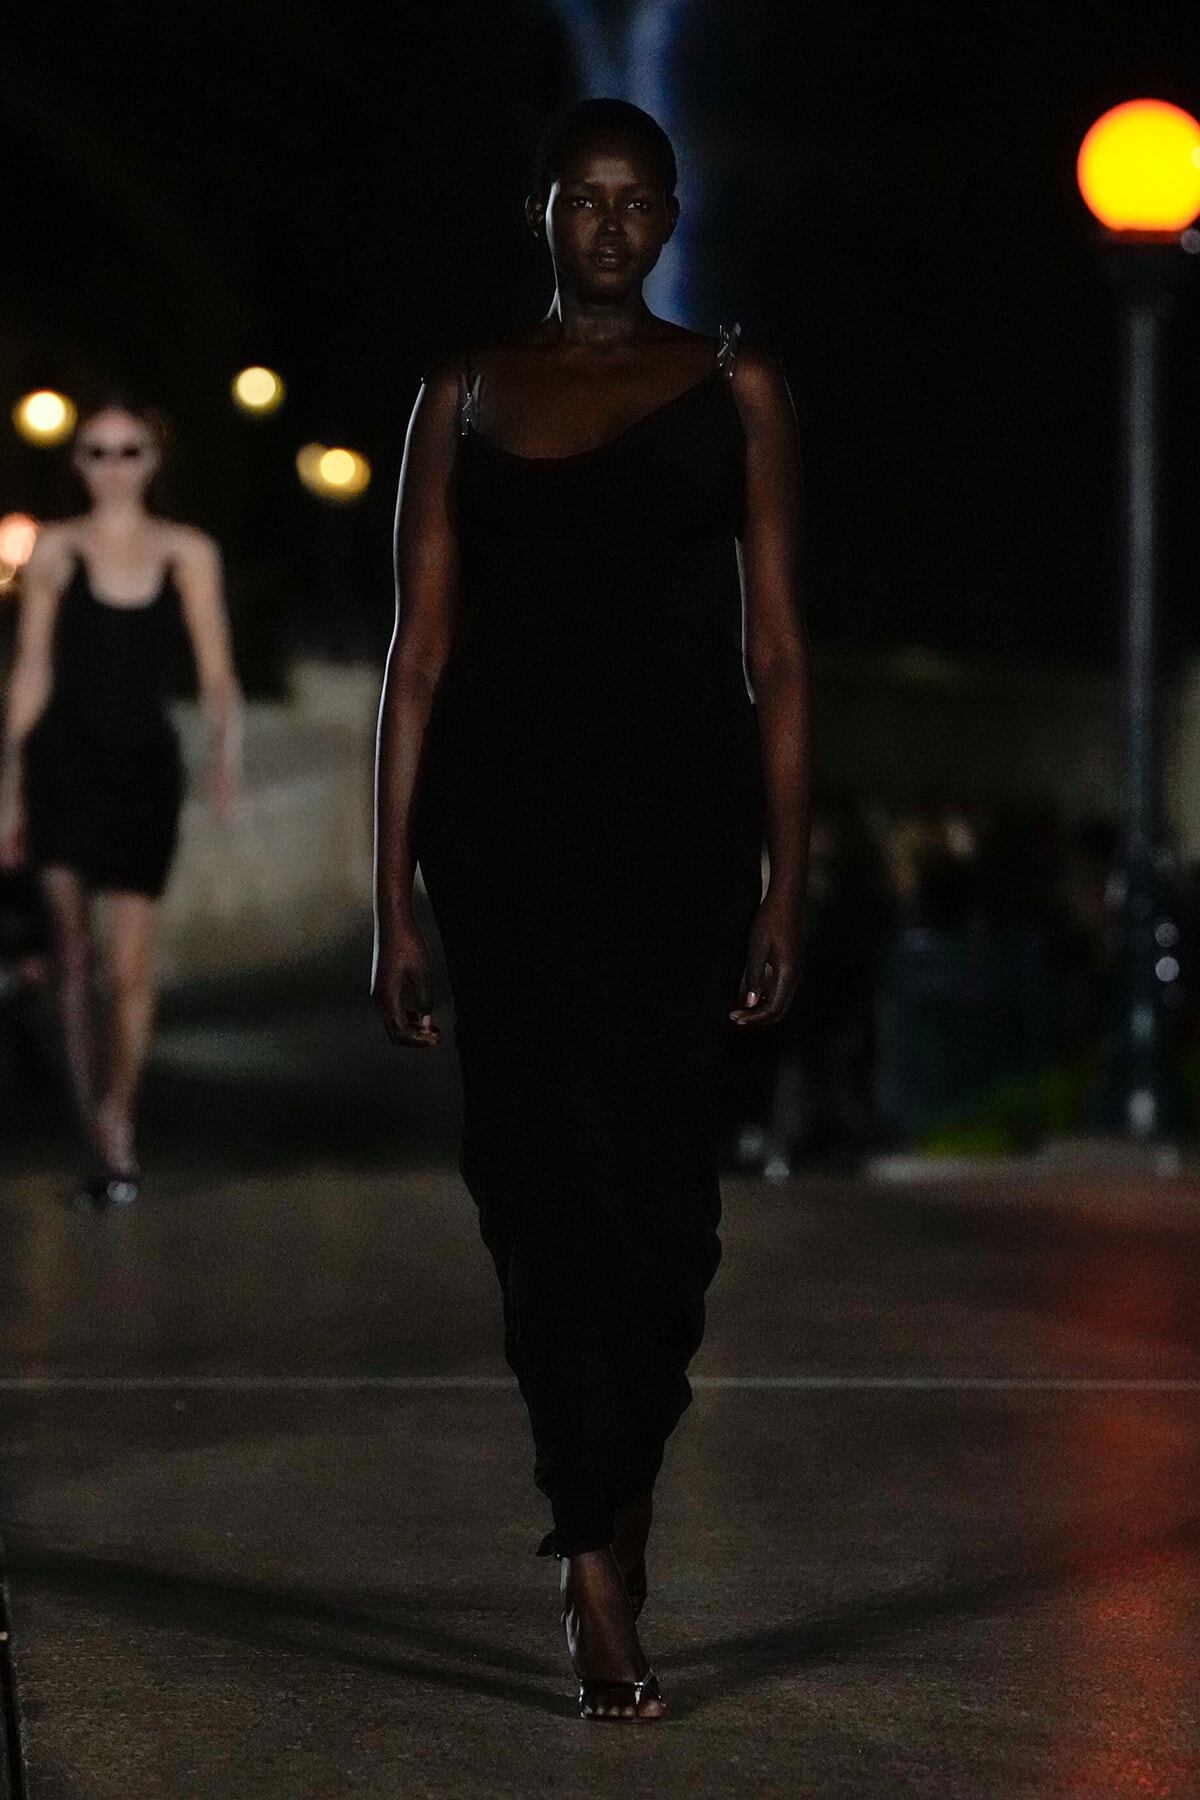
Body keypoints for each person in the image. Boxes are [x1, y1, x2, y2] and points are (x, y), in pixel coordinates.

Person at [372, 97, 813, 1720]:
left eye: (638, 201)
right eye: (585, 198)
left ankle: (617, 1502)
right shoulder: (463, 392)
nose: (612, 224)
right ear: (541, 212)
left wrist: (788, 876)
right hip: (504, 836)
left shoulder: (737, 386)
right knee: (538, 1179)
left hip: (681, 832)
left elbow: (778, 647)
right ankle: (592, 1552)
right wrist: (390, 899)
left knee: (665, 1204)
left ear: (670, 218)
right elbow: (418, 656)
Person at [0, 399, 243, 1204]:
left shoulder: (186, 551)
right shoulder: (55, 549)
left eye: (128, 450)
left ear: (153, 459)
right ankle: (97, 1140)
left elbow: (216, 669)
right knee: (71, 954)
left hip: (143, 767)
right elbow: (32, 667)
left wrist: (226, 754)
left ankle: (118, 1113)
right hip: (63, 764)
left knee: (129, 964)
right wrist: (9, 783)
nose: (113, 465)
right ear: (77, 463)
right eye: (97, 451)